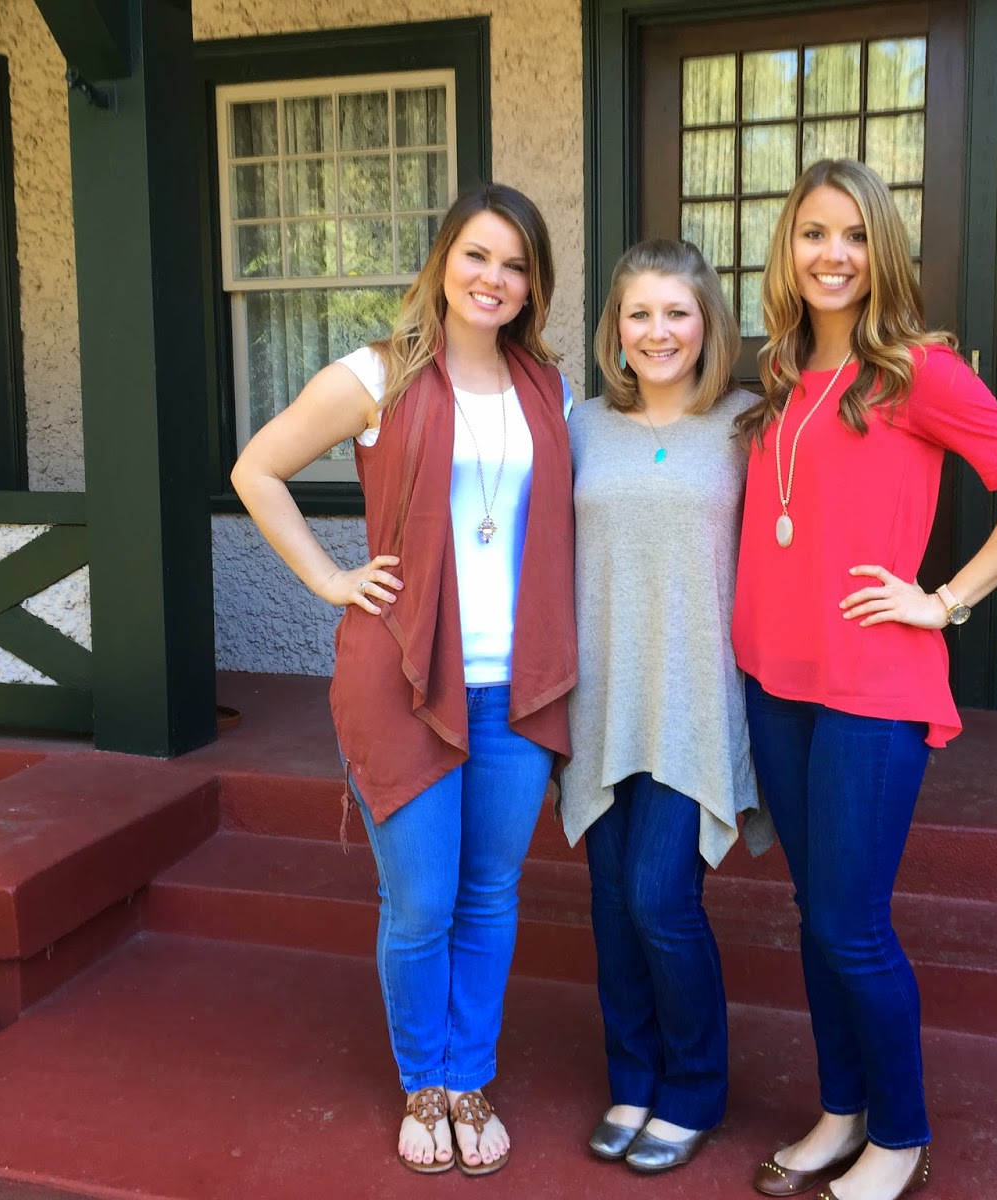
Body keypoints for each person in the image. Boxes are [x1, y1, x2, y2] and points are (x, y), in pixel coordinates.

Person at [733, 160, 997, 1200]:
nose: (831, 255)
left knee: (851, 923)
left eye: (853, 236)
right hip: (774, 682)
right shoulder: (777, 372)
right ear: (787, 250)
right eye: (812, 234)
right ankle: (841, 1112)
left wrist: (946, 599)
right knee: (814, 909)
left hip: (872, 687)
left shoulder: (920, 372)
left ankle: (900, 1134)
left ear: (882, 251)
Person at [230, 184, 576, 1179]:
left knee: (492, 892)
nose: (493, 278)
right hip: (405, 679)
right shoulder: (375, 375)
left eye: (515, 264)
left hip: (519, 684)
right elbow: (257, 469)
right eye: (477, 255)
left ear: (534, 284)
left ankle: (470, 1078)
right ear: (443, 260)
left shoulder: (547, 390)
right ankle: (424, 1079)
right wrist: (331, 579)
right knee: (422, 900)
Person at [561, 238, 771, 1174]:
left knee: (660, 898)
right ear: (616, 327)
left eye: (676, 312)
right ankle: (632, 1079)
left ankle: (693, 1090)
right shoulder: (581, 426)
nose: (658, 332)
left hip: (695, 698)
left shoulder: (748, 424)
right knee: (611, 905)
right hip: (600, 697)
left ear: (707, 322)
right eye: (639, 313)